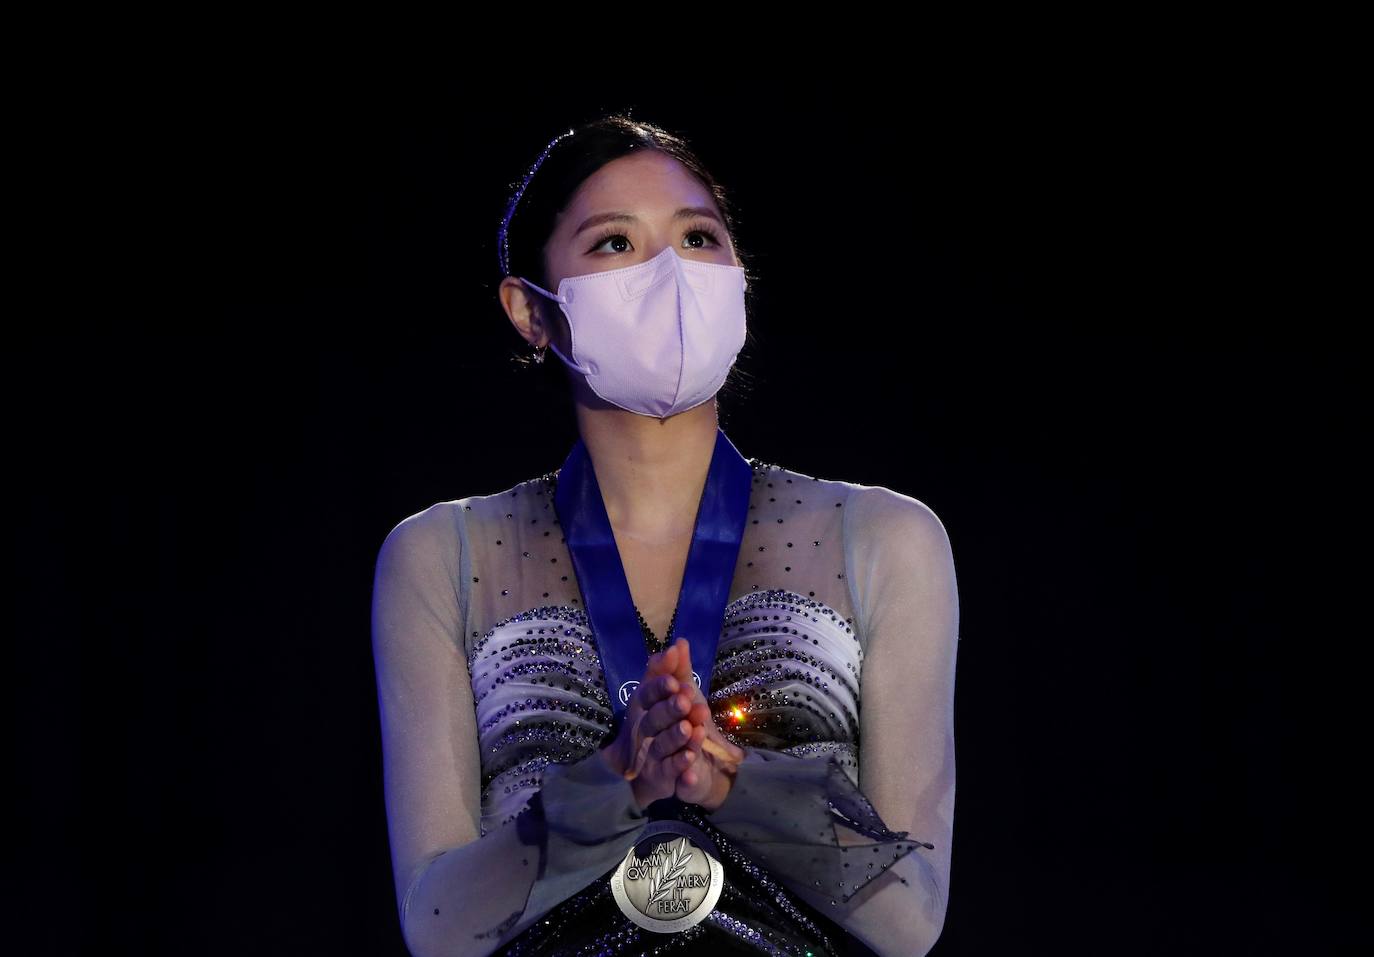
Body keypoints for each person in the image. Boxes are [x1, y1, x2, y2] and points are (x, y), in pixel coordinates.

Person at [371, 114, 960, 957]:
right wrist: (614, 783)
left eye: (697, 236)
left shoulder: (883, 538)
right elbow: (438, 928)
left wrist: (733, 781)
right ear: (530, 312)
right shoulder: (447, 554)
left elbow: (911, 920)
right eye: (614, 243)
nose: (670, 274)